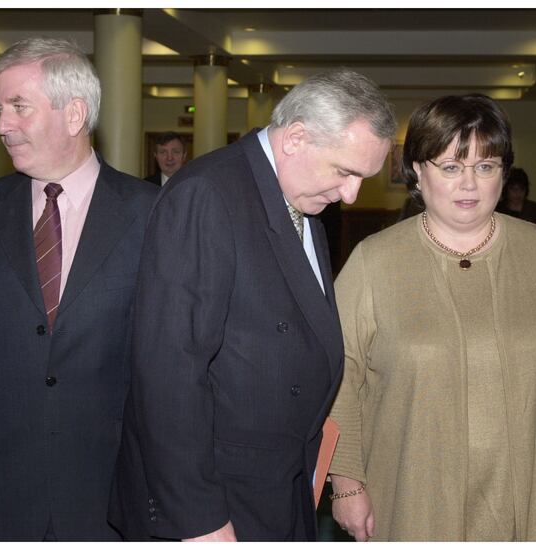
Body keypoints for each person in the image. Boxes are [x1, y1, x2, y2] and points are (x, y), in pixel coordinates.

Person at [110, 69, 396, 541]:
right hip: (219, 499)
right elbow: (168, 372)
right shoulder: (208, 194)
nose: (351, 194)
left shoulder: (299, 197)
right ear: (296, 138)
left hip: (275, 484)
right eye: (346, 171)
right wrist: (199, 518)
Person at [327, 94, 536, 541]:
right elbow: (338, 377)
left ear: (503, 174)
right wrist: (346, 484)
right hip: (413, 494)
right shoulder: (374, 262)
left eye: (485, 167)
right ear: (417, 171)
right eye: (450, 167)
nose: (469, 184)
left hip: (534, 487)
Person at [0, 38, 158, 541]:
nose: (1, 125)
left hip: (109, 480)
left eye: (18, 107)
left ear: (74, 113)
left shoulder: (152, 214)